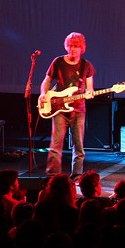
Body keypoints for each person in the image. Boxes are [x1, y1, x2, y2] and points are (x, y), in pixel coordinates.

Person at [39, 32, 96, 179]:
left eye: (76, 46)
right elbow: (47, 80)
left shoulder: (86, 66)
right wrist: (43, 93)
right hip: (59, 109)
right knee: (56, 145)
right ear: (66, 46)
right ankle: (52, 176)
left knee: (78, 146)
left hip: (79, 109)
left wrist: (89, 93)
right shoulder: (58, 62)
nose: (73, 49)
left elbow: (90, 88)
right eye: (70, 46)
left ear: (82, 48)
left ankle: (76, 177)